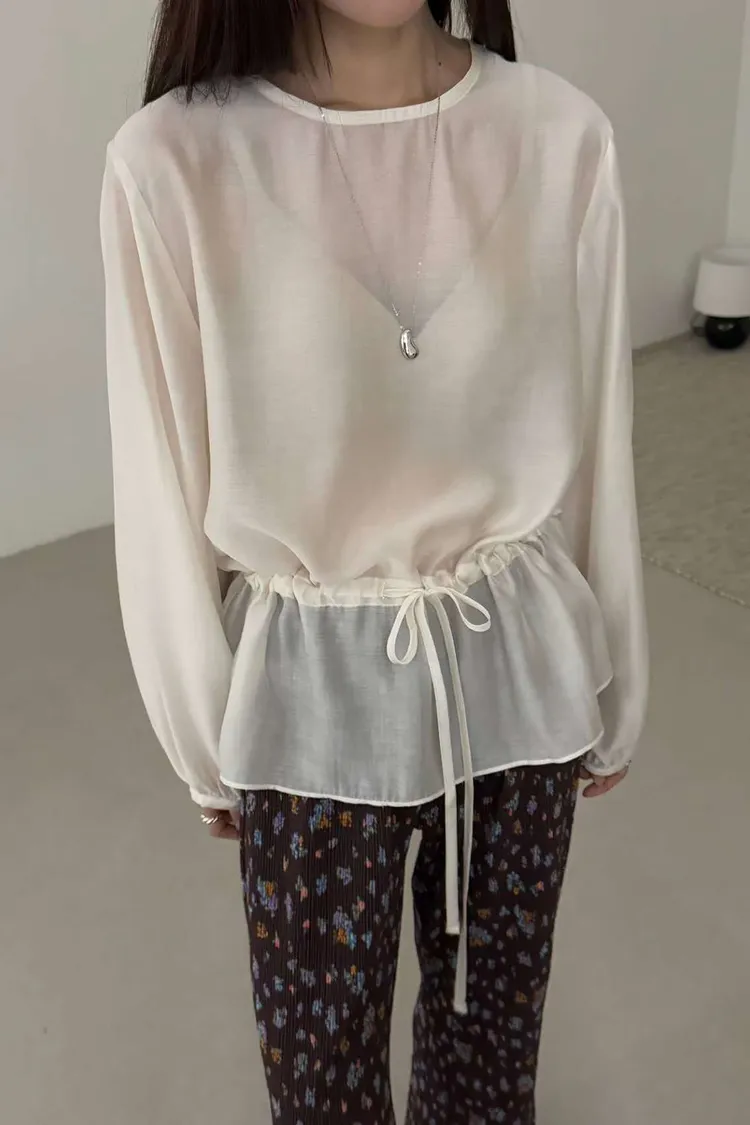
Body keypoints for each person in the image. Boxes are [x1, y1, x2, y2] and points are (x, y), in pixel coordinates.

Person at [100, 1, 648, 1121]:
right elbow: (158, 467)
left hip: (518, 684)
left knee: (490, 1069)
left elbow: (601, 431)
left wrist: (614, 682)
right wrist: (206, 732)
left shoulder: (560, 134)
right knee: (322, 1089)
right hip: (309, 713)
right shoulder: (174, 160)